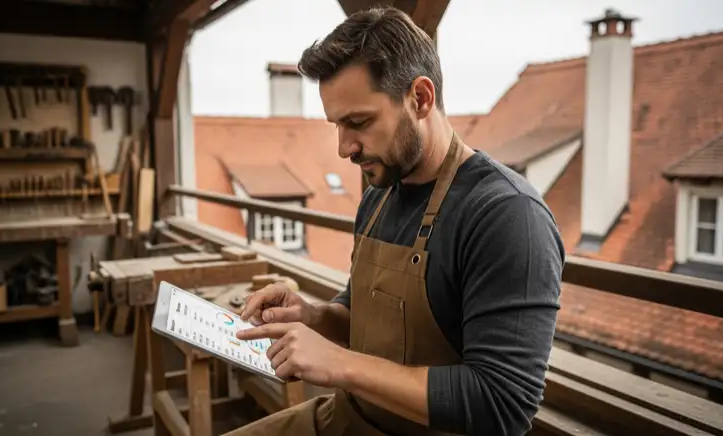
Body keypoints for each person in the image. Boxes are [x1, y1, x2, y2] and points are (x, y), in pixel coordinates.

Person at [225, 6, 564, 436]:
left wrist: (340, 365)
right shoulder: (379, 194)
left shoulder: (505, 215)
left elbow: (503, 403)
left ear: (420, 99)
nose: (344, 147)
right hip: (348, 419)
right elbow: (363, 317)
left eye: (359, 122)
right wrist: (313, 316)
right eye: (336, 125)